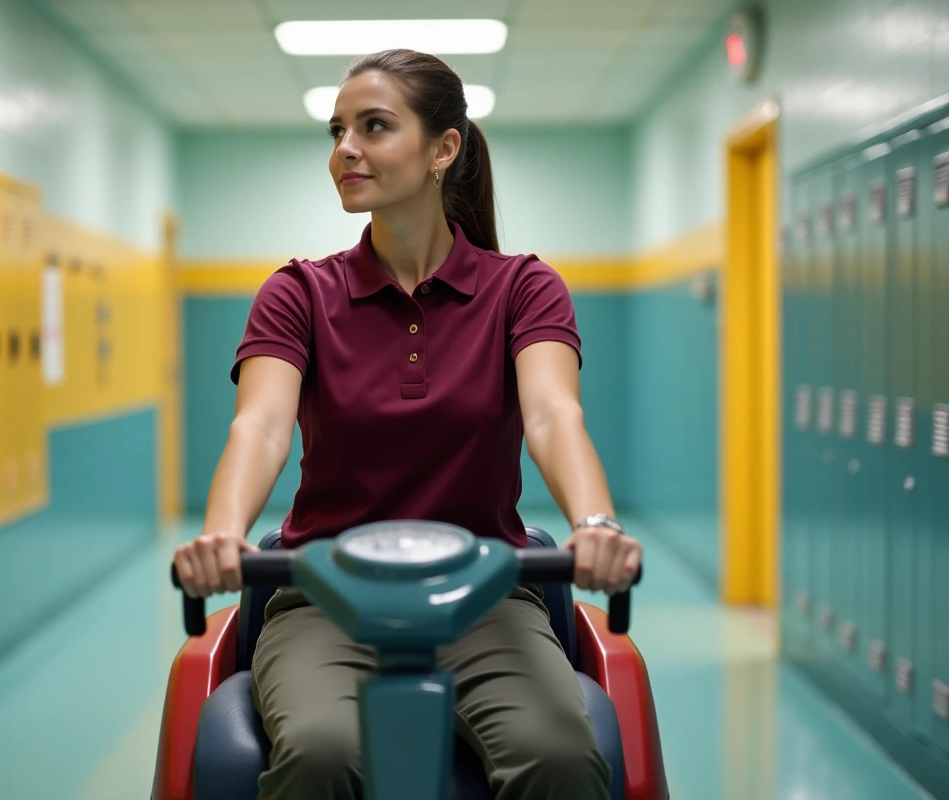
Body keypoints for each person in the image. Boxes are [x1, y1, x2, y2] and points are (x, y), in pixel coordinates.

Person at [173, 48, 642, 800]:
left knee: (556, 755)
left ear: (442, 149)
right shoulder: (299, 292)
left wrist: (596, 522)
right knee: (321, 754)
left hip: (487, 594)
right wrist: (224, 534)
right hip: (325, 597)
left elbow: (554, 414)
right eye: (336, 131)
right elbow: (259, 428)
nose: (345, 149)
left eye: (374, 127)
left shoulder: (523, 287)